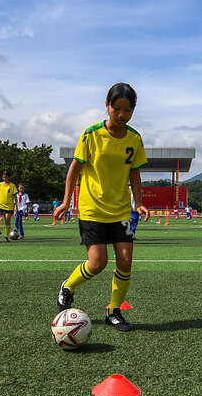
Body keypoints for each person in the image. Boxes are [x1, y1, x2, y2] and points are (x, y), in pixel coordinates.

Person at [54, 82, 148, 332]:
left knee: (125, 261)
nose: (122, 115)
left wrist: (139, 203)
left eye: (127, 110)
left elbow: (135, 174)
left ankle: (114, 311)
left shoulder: (135, 139)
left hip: (121, 210)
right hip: (92, 209)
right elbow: (74, 169)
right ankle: (68, 287)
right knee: (97, 263)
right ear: (107, 106)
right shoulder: (91, 134)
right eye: (117, 109)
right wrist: (66, 201)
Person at [0, 171, 17, 241]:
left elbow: (15, 197)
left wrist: (16, 207)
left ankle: (6, 236)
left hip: (9, 206)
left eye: (5, 177)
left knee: (7, 221)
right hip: (0, 205)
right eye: (3, 177)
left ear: (9, 177)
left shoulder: (12, 186)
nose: (4, 178)